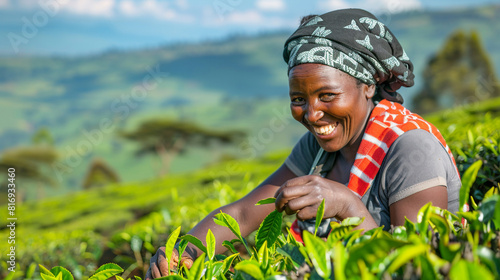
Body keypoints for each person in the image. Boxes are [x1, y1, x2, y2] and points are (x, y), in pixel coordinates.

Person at [145, 8, 461, 278]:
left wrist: (348, 205)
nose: (312, 114)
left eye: (328, 95)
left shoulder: (412, 150)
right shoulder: (316, 150)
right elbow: (243, 214)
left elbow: (417, 266)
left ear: (367, 86)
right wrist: (180, 253)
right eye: (299, 99)